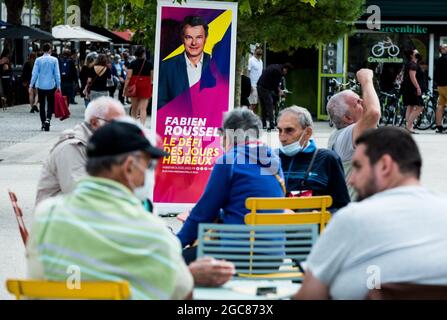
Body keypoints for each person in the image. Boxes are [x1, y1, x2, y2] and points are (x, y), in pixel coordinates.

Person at [27, 121, 194, 300]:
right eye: (148, 166)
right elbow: (183, 294)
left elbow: (38, 285)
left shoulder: (46, 216)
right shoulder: (152, 232)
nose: (149, 176)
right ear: (129, 167)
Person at [293, 127, 447, 300]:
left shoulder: (353, 218)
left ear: (384, 165)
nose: (351, 180)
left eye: (358, 167)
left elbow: (309, 295)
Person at [177, 107, 285, 262]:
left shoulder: (229, 162)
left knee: (176, 263)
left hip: (237, 255)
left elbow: (203, 214)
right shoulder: (273, 160)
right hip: (273, 258)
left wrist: (176, 244)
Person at [35, 96, 126, 206]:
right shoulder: (72, 147)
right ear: (94, 122)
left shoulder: (99, 145)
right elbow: (79, 194)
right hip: (60, 218)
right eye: (115, 124)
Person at [277, 106, 350, 211]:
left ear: (307, 133)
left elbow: (342, 207)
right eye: (279, 130)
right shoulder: (271, 159)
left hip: (313, 226)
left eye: (289, 130)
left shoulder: (327, 159)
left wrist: (318, 216)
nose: (282, 137)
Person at [326, 68, 381, 200]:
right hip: (355, 210)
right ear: (347, 118)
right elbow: (373, 113)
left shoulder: (339, 135)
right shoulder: (346, 135)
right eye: (357, 102)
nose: (363, 102)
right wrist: (366, 80)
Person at [157, 15, 213, 110]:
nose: (194, 43)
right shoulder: (167, 66)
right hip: (178, 122)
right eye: (189, 37)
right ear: (182, 38)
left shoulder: (216, 64)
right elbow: (160, 101)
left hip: (209, 123)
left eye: (199, 37)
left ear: (205, 38)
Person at [29, 43, 61, 132]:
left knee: (42, 104)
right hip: (51, 85)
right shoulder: (54, 60)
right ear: (50, 49)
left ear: (43, 50)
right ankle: (48, 119)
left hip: (41, 85)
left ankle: (43, 122)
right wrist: (59, 85)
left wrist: (31, 85)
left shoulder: (38, 60)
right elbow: (57, 74)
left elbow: (34, 74)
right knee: (50, 104)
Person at [257, 63, 293, 130]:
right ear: (285, 69)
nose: (285, 74)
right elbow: (275, 85)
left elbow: (273, 83)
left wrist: (277, 90)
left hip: (259, 86)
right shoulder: (279, 72)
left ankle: (264, 124)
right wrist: (279, 92)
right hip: (265, 88)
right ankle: (272, 125)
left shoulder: (276, 66)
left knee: (263, 107)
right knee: (270, 106)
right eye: (286, 72)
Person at [123, 46, 152, 126]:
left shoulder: (132, 63)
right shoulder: (149, 64)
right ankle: (142, 126)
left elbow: (128, 77)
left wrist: (125, 88)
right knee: (143, 109)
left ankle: (134, 125)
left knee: (134, 107)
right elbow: (152, 77)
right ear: (143, 54)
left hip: (134, 85)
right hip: (145, 85)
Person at [400, 49, 426, 134]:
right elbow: (412, 77)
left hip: (408, 89)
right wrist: (418, 87)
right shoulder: (412, 64)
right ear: (412, 55)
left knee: (410, 106)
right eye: (416, 52)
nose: (418, 53)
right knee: (420, 106)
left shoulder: (411, 63)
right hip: (412, 89)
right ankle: (409, 125)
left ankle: (409, 126)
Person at [434, 43, 447, 134]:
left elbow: (436, 74)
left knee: (440, 106)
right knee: (440, 106)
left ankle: (439, 127)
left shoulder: (439, 60)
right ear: (442, 50)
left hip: (440, 87)